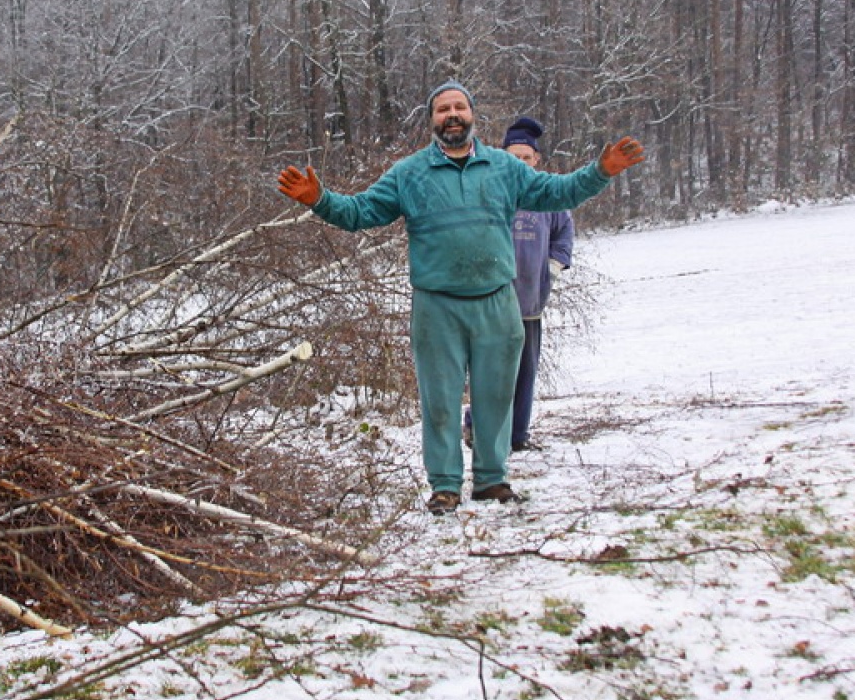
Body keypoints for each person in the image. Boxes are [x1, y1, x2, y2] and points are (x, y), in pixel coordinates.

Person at [276, 82, 645, 515]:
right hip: (437, 304)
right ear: (431, 120)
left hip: (496, 299)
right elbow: (361, 213)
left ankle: (491, 480)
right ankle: (445, 485)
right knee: (440, 399)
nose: (452, 114)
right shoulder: (409, 173)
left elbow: (556, 192)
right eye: (442, 109)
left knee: (495, 396)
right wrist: (319, 200)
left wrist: (599, 171)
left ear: (472, 115)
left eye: (459, 107)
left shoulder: (505, 168)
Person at [463, 116, 573, 453]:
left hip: (530, 300)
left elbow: (563, 234)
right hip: (493, 300)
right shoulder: (489, 191)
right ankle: (479, 429)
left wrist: (553, 266)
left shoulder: (547, 194)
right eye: (514, 156)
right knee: (490, 369)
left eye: (526, 157)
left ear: (536, 160)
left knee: (525, 371)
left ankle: (517, 435)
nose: (520, 162)